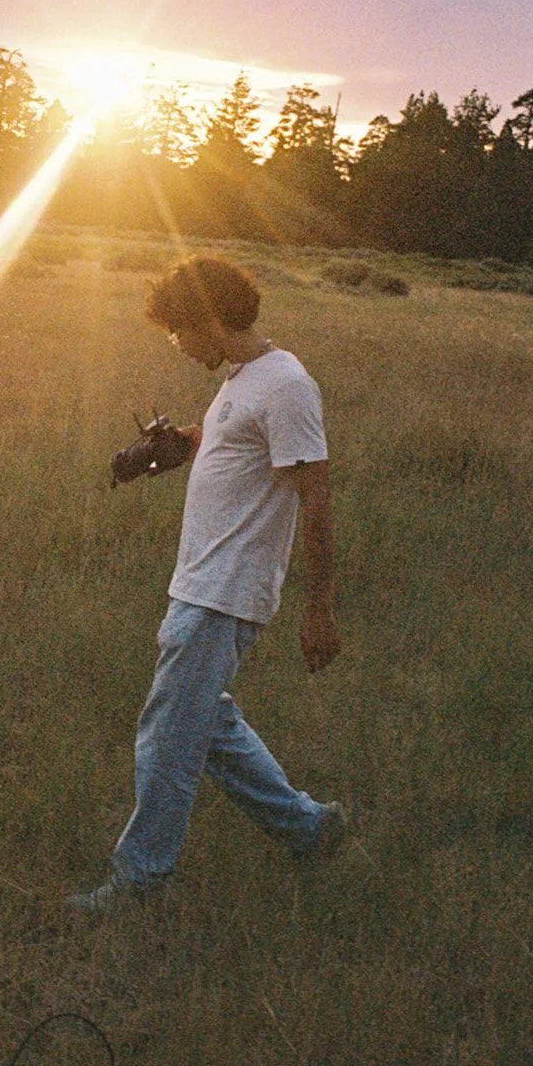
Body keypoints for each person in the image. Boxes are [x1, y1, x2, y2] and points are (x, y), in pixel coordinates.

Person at [68, 255, 344, 915]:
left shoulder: (286, 385)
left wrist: (321, 611)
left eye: (180, 331)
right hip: (200, 583)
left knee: (168, 734)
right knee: (207, 724)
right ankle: (308, 828)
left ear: (211, 320)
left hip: (225, 590)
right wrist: (182, 446)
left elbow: (317, 495)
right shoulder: (243, 379)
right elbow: (243, 450)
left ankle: (139, 882)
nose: (178, 345)